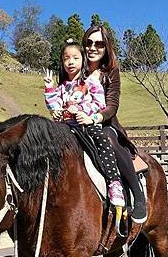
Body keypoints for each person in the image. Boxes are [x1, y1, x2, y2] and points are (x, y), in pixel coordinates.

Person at [76, 25, 147, 223]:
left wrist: (95, 118)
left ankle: (137, 195)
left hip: (104, 123)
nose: (92, 47)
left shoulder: (111, 72)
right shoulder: (75, 67)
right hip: (75, 123)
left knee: (107, 137)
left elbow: (112, 105)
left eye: (99, 44)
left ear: (106, 47)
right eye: (89, 43)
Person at [44, 41, 124, 207]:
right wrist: (51, 93)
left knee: (102, 140)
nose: (70, 62)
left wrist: (83, 111)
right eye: (66, 58)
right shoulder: (61, 87)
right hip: (65, 127)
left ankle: (114, 182)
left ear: (83, 60)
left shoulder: (90, 82)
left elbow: (100, 103)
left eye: (75, 58)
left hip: (86, 125)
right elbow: (54, 105)